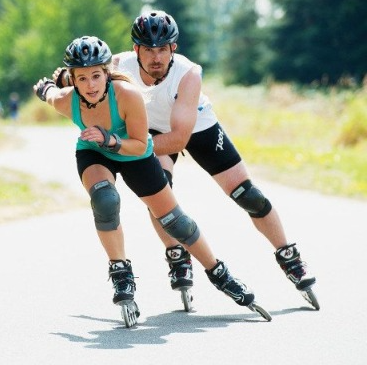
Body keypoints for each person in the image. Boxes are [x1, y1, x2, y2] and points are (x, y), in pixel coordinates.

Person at [35, 35, 266, 322]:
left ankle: (219, 272)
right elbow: (48, 93)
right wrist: (45, 87)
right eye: (82, 79)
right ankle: (120, 271)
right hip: (95, 153)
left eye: (97, 76)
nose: (91, 85)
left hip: (133, 150)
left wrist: (109, 139)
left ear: (107, 73)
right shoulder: (66, 100)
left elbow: (141, 145)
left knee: (175, 221)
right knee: (105, 200)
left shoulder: (128, 94)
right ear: (73, 80)